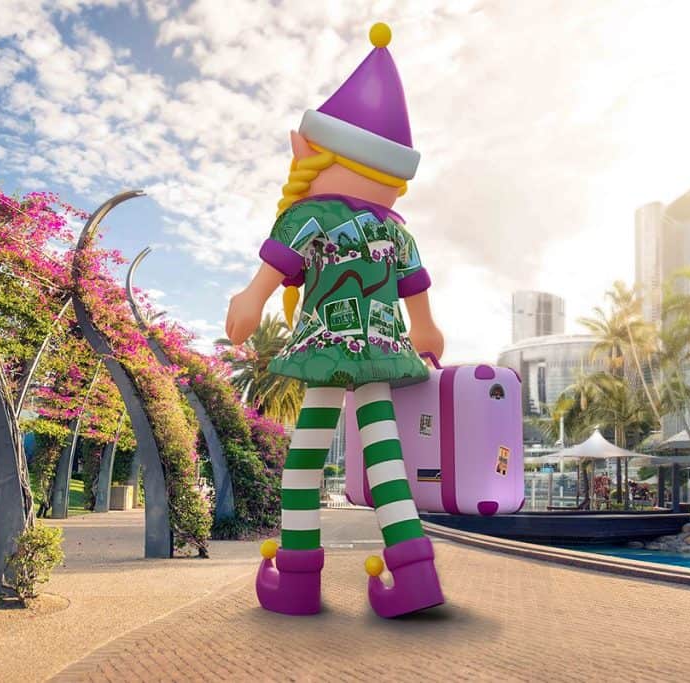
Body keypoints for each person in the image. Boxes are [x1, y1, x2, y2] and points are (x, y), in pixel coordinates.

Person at [225, 23, 446, 618]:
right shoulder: (398, 230)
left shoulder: (309, 215)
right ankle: (414, 572)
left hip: (326, 349)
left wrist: (249, 303)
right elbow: (416, 294)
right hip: (377, 350)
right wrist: (424, 336)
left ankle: (296, 578)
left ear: (313, 153)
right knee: (386, 460)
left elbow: (272, 272)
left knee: (305, 460)